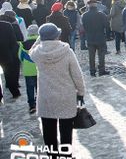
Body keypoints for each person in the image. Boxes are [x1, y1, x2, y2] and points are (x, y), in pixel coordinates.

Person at [29, 23, 85, 159]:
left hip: (46, 97)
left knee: (48, 132)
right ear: (57, 36)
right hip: (66, 95)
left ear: (41, 38)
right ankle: (66, 156)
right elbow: (77, 74)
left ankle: (52, 156)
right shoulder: (67, 51)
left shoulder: (37, 53)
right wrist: (81, 92)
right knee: (66, 131)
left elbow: (30, 51)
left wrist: (40, 39)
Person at [82, 0, 109, 77]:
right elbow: (107, 25)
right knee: (101, 55)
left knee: (91, 56)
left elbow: (84, 26)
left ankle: (92, 71)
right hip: (100, 37)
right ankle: (101, 70)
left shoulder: (85, 15)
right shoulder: (101, 14)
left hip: (90, 37)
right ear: (96, 5)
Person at [0, 14, 20, 102]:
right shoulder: (6, 25)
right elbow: (13, 41)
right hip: (7, 54)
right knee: (9, 74)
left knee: (9, 74)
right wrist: (13, 55)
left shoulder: (7, 25)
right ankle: (15, 92)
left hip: (7, 54)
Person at [19, 24, 39, 113]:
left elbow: (20, 56)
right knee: (39, 87)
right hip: (39, 69)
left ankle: (32, 105)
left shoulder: (23, 44)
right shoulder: (40, 43)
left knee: (30, 88)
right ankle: (40, 102)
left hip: (28, 70)